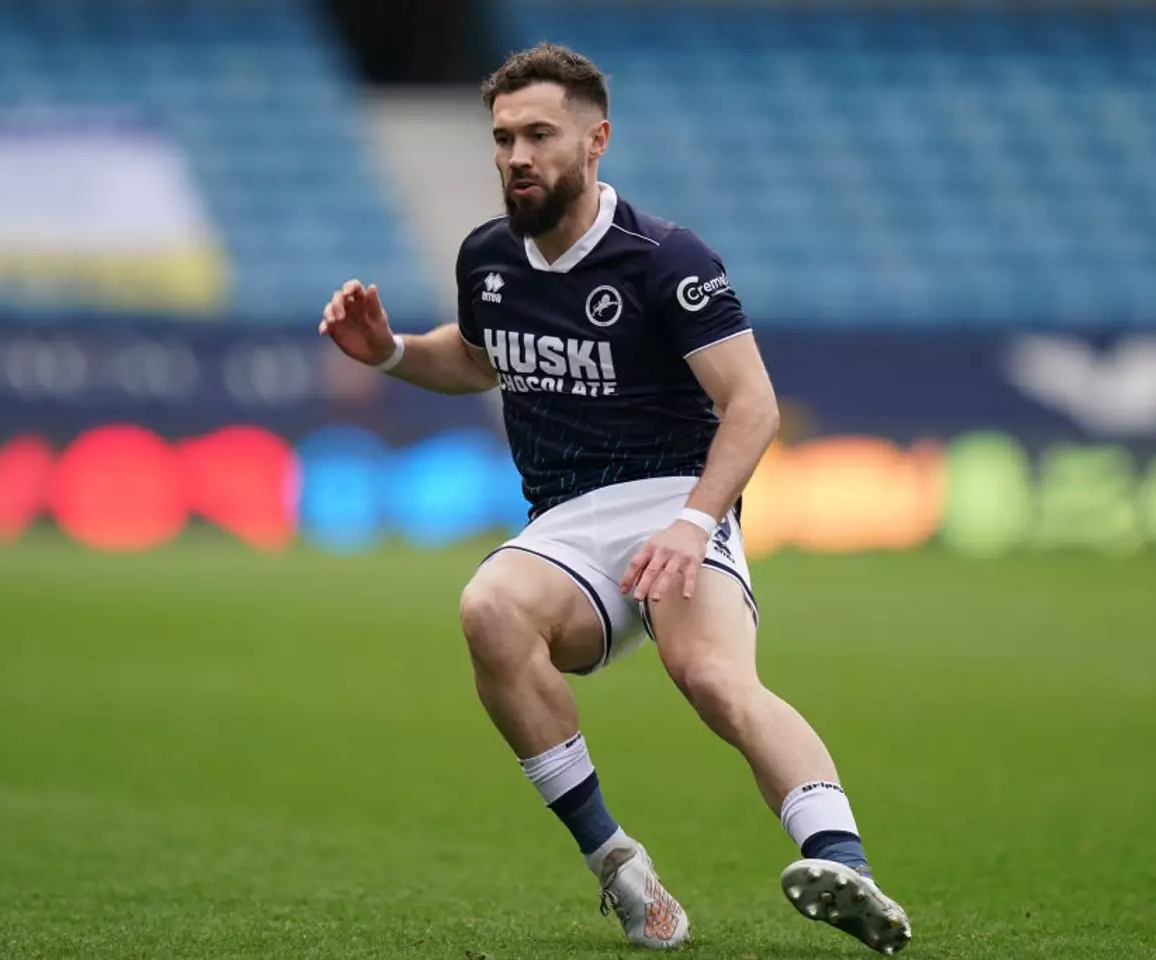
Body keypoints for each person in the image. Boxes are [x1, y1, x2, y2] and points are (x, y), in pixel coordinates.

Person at [318, 42, 912, 956]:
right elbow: (479, 359)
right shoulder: (487, 257)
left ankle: (845, 869)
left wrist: (695, 521)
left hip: (678, 493)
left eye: (540, 135)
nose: (517, 155)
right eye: (504, 137)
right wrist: (393, 351)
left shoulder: (664, 258)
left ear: (595, 141)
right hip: (565, 521)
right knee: (488, 610)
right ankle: (619, 865)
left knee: (714, 679)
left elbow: (752, 405)